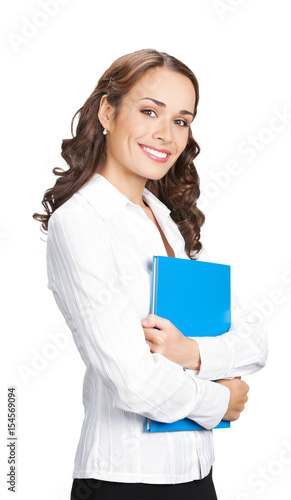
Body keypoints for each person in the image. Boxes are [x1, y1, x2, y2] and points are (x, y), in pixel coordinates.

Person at [33, 48, 268, 500]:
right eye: (149, 112)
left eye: (181, 120)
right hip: (126, 481)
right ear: (107, 110)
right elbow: (133, 381)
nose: (166, 135)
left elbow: (254, 341)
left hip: (198, 474)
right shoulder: (82, 220)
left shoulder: (166, 218)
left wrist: (190, 352)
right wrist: (223, 401)